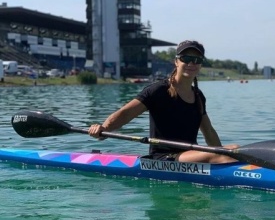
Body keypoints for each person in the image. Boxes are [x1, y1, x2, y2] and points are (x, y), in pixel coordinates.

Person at [88, 40, 239, 163]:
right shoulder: (158, 91)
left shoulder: (198, 96)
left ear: (200, 64)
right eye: (186, 58)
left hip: (189, 156)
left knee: (235, 150)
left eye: (197, 60)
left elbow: (209, 132)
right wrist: (103, 130)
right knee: (229, 153)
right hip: (162, 158)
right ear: (176, 62)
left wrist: (221, 154)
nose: (191, 63)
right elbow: (125, 114)